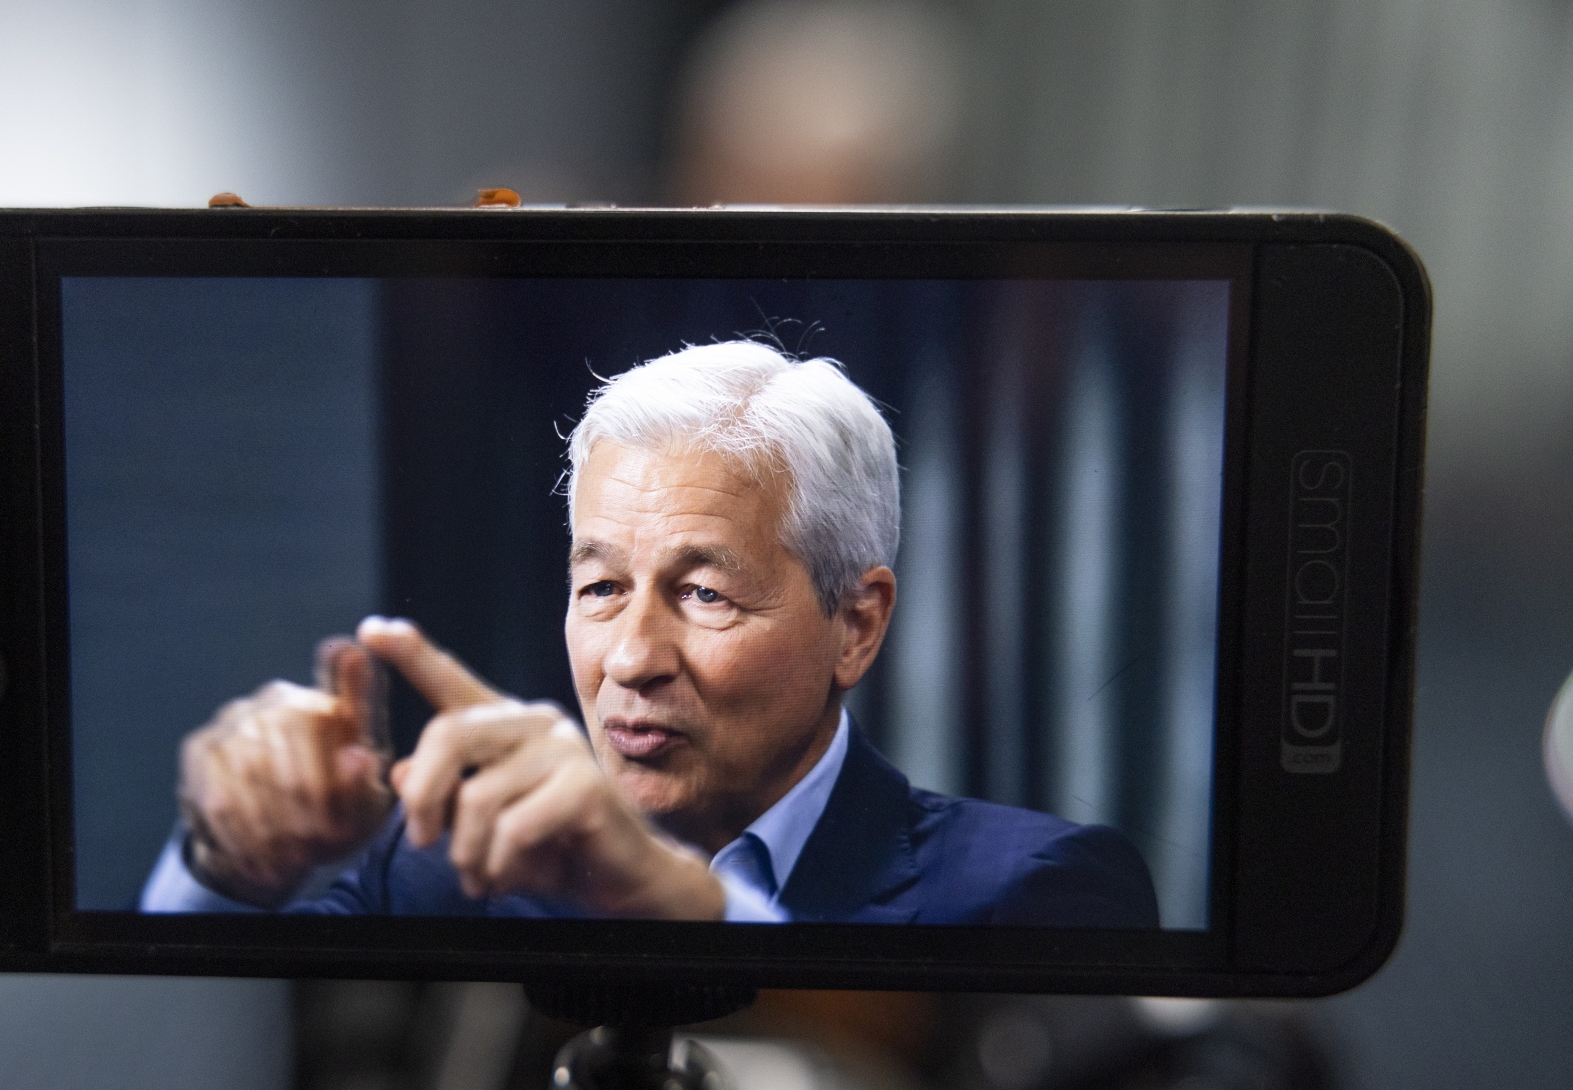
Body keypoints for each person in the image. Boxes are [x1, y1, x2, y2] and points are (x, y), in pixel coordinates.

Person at [141, 341, 1157, 926]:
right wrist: (227, 859)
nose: (629, 658)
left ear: (856, 623)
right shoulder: (442, 870)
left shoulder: (1034, 888)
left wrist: (683, 904)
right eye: (599, 587)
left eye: (703, 594)